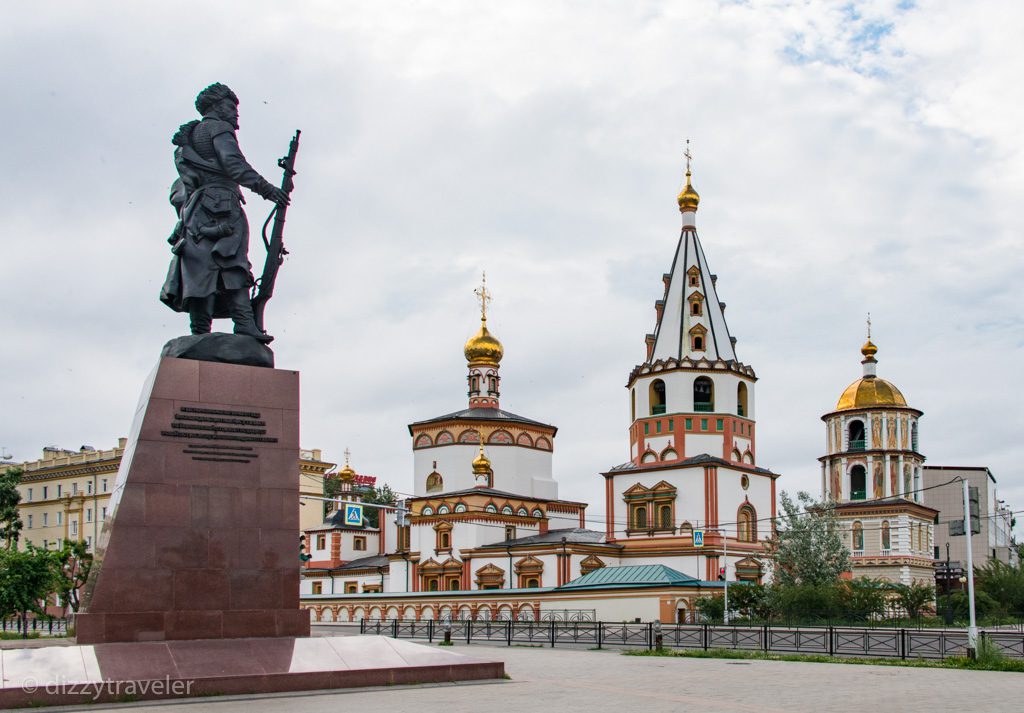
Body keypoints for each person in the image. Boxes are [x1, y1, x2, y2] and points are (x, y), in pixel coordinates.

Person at [160, 83, 289, 343]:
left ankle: (200, 333)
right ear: (217, 107)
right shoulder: (218, 128)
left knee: (200, 270)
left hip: (195, 211)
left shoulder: (189, 138)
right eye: (231, 106)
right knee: (233, 265)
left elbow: (183, 186)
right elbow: (233, 164)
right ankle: (244, 323)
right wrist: (267, 189)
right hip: (222, 204)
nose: (235, 113)